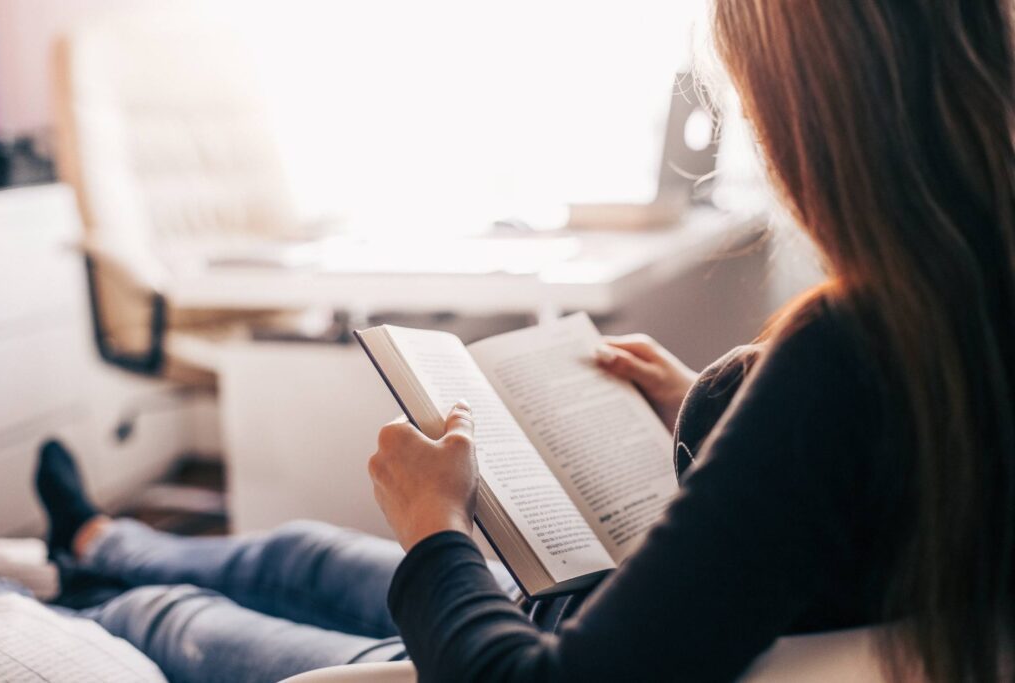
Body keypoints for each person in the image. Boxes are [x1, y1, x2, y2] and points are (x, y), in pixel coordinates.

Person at [365, 2, 1015, 682]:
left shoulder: (846, 357)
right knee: (292, 556)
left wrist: (433, 523)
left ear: (801, 111)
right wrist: (736, 424)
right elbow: (858, 500)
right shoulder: (961, 302)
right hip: (624, 614)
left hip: (544, 645)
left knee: (264, 580)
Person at [0, 440, 517, 682]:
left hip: (486, 669)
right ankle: (96, 541)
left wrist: (438, 521)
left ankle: (73, 598)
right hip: (546, 606)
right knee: (304, 552)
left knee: (173, 620)